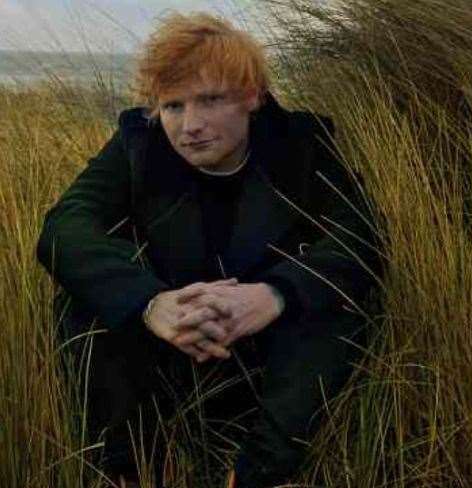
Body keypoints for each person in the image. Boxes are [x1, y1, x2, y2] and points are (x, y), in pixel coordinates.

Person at [36, 11, 383, 488]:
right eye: (174, 106)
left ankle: (255, 474)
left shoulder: (301, 145)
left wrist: (274, 295)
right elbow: (64, 228)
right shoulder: (139, 144)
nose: (189, 125)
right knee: (85, 303)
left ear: (251, 97)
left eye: (210, 100)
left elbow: (361, 236)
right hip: (173, 342)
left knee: (335, 304)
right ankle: (128, 472)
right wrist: (150, 304)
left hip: (268, 352)